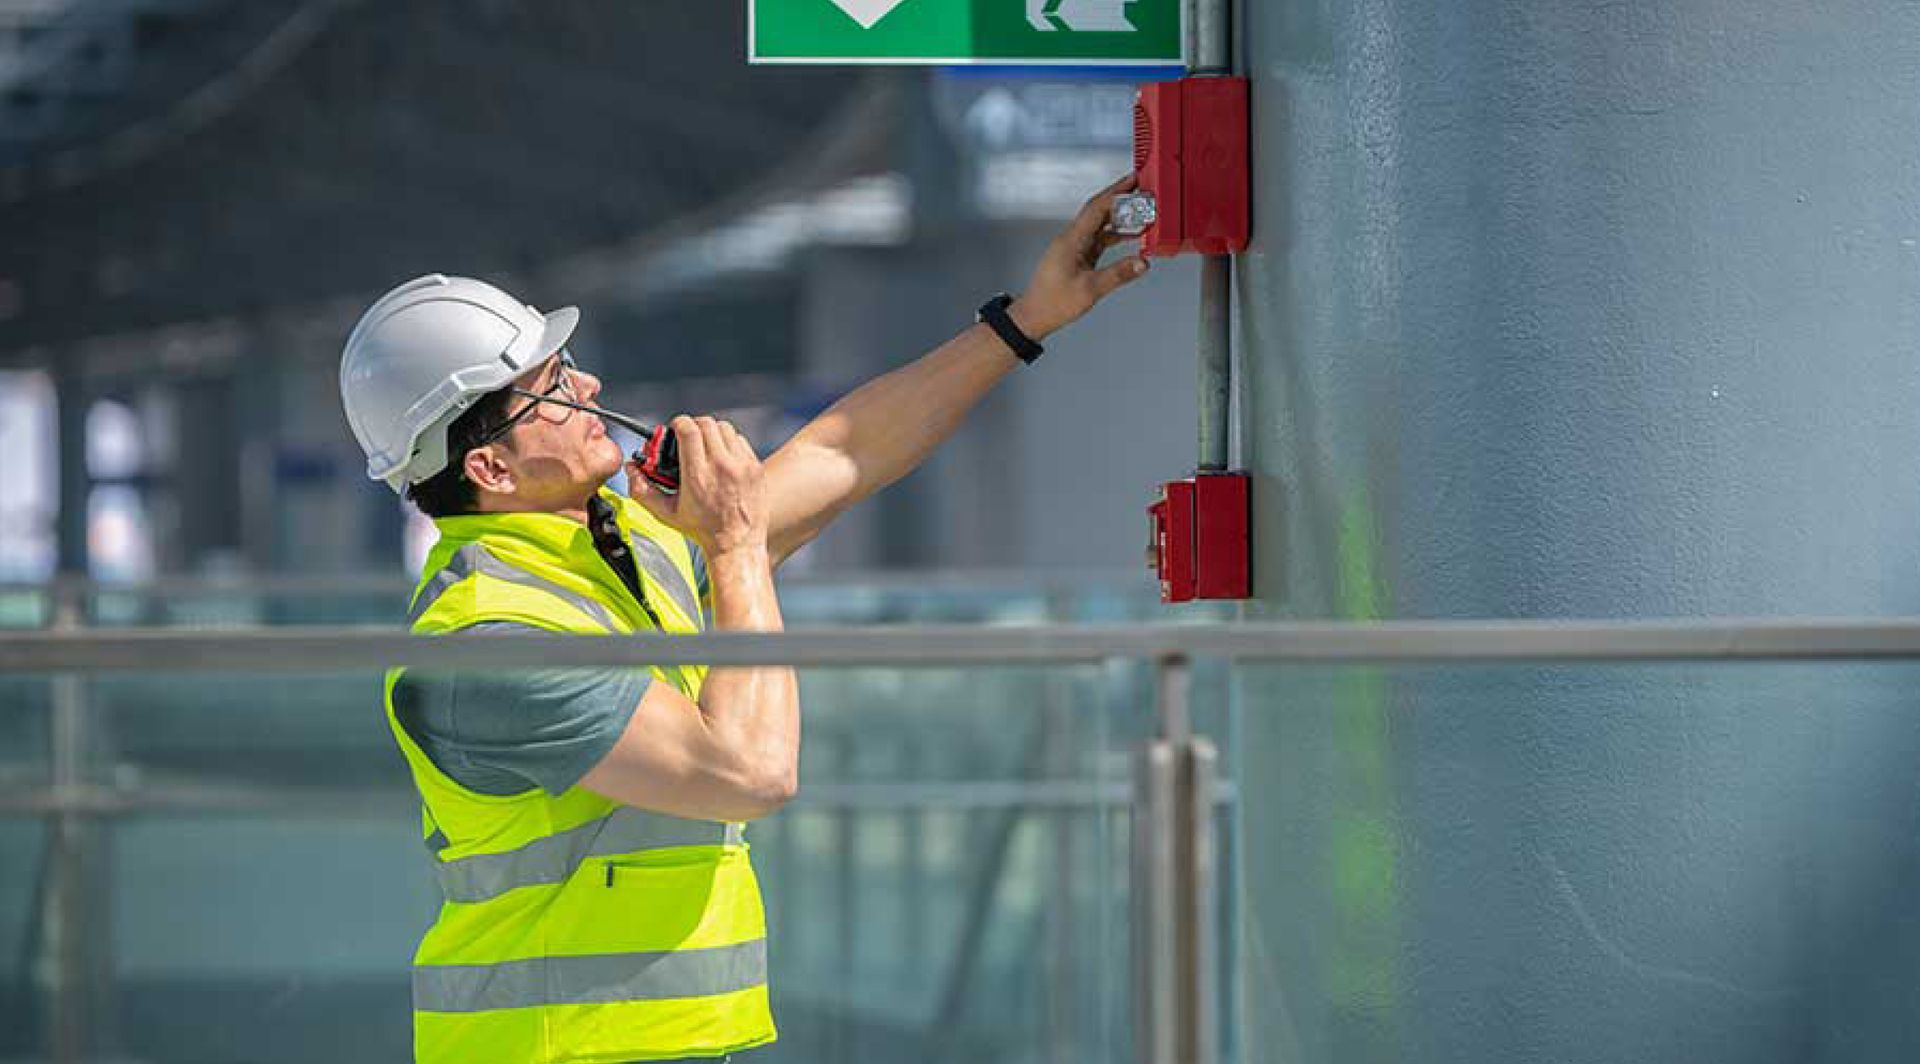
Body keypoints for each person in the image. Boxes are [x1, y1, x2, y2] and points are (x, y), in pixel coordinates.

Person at [336, 176, 1149, 1064]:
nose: (588, 385)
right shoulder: (486, 647)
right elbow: (750, 772)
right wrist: (734, 545)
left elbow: (845, 450)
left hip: (644, 1044)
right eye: (553, 389)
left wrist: (1026, 319)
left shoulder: (635, 548)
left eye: (567, 367)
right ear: (489, 470)